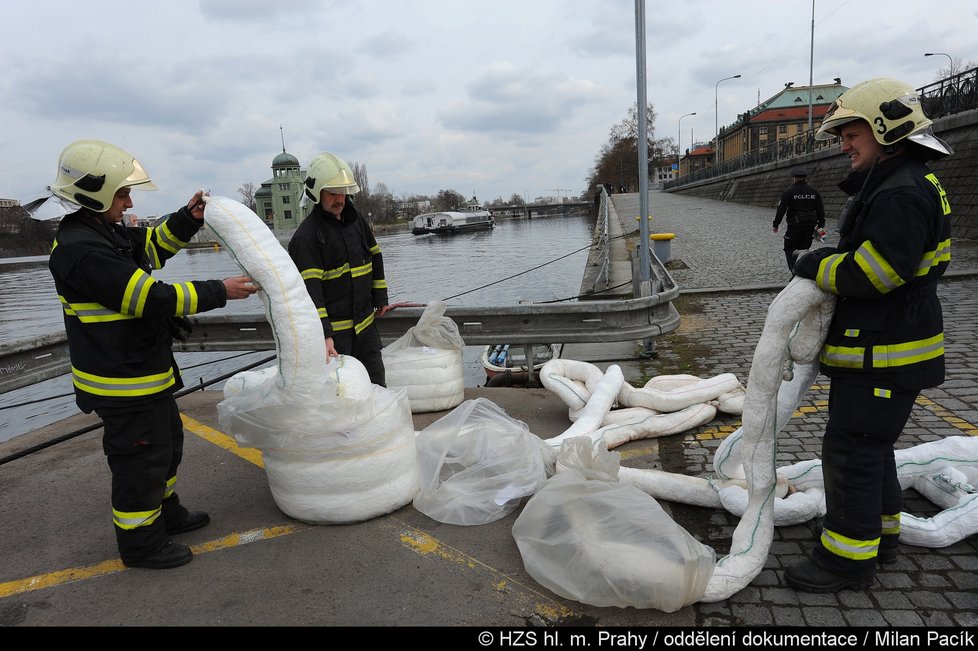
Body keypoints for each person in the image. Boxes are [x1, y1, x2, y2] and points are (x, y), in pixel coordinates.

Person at [46, 140, 259, 569]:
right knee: (139, 460)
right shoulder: (79, 251)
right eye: (122, 194)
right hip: (120, 381)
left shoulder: (103, 233)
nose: (128, 202)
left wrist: (188, 218)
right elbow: (148, 297)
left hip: (142, 370)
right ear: (94, 194)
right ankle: (140, 542)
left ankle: (165, 512)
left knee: (166, 446)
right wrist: (221, 290)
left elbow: (152, 246)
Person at [786, 78, 954, 592]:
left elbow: (876, 274)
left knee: (851, 451)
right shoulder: (904, 181)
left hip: (883, 353)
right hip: (889, 348)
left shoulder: (900, 193)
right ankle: (878, 537)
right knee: (871, 447)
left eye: (851, 132)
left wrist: (818, 267)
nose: (844, 144)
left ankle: (846, 561)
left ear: (885, 128)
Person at [288, 152, 390, 386]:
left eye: (343, 193)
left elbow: (375, 255)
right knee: (345, 398)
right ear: (316, 193)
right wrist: (324, 335)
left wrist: (380, 296)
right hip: (336, 340)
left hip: (366, 330)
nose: (340, 199)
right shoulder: (306, 238)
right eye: (333, 193)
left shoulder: (356, 221)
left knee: (377, 388)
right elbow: (310, 295)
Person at [772, 167, 826, 271]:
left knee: (789, 249)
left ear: (794, 178)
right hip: (810, 226)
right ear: (805, 178)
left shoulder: (789, 192)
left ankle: (794, 270)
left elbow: (781, 209)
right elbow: (820, 209)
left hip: (794, 227)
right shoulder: (814, 192)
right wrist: (821, 225)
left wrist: (776, 224)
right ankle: (802, 270)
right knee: (804, 250)